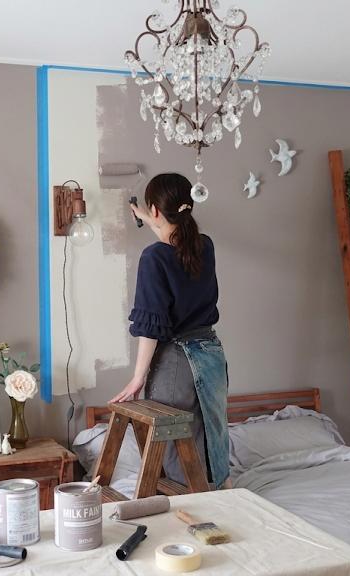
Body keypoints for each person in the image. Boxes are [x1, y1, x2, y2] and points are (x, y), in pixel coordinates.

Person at [110, 172, 229, 488]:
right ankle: (221, 489)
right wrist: (148, 217)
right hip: (211, 354)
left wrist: (138, 377)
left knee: (178, 442)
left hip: (177, 361)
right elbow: (173, 238)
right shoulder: (204, 246)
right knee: (211, 427)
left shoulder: (154, 258)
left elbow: (151, 327)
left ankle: (192, 496)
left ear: (156, 210)